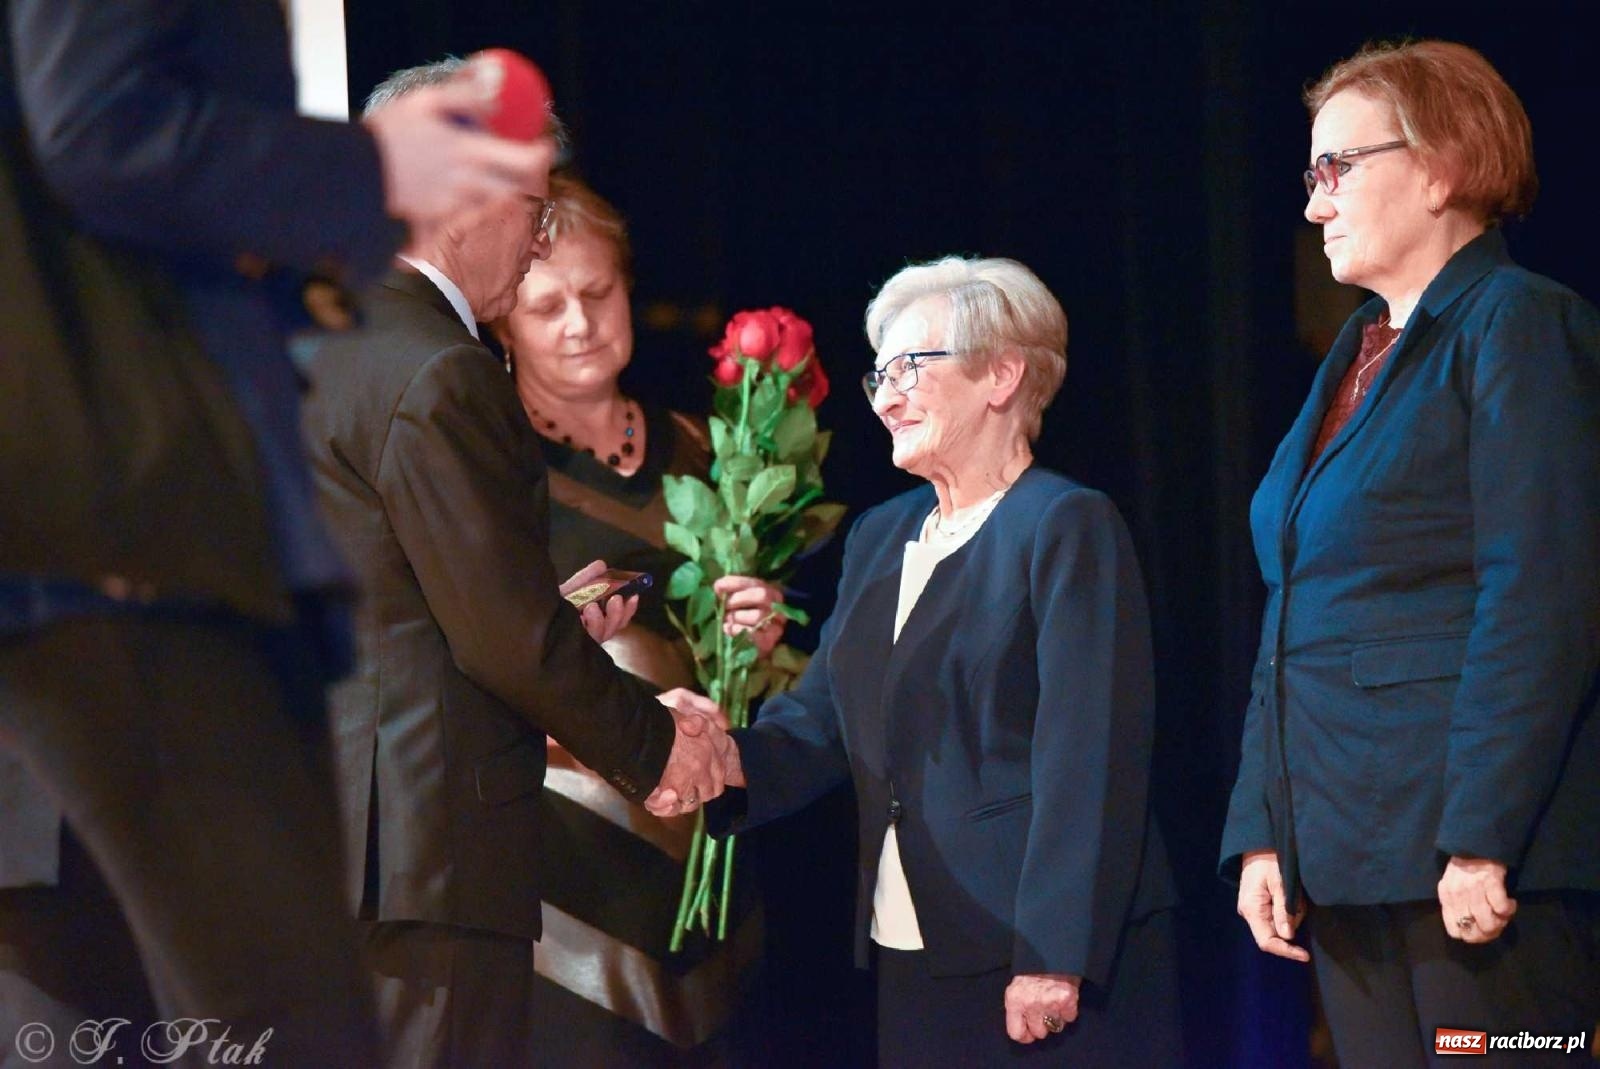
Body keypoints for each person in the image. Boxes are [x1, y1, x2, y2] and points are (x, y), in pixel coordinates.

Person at [0, 2, 551, 1063]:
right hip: (126, 524)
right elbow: (99, 127)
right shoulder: (437, 373)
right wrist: (373, 169)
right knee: (293, 1029)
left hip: (139, 520)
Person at [300, 62, 732, 1069]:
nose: (536, 241)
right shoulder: (439, 367)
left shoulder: (320, 339)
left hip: (342, 838)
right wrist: (656, 748)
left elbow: (402, 599)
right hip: (429, 854)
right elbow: (502, 638)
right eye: (535, 214)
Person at [689, 256, 1181, 1066]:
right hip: (916, 938)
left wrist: (1053, 953)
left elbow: (1090, 752)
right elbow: (819, 720)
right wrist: (716, 756)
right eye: (878, 376)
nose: (886, 398)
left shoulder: (1064, 523)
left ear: (1002, 374)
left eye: (910, 368)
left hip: (1040, 950)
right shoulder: (881, 534)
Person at [1220, 39, 1600, 1066]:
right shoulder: (1353, 354)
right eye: (1311, 175)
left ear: (1439, 168)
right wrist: (1265, 827)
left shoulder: (1518, 324)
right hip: (1347, 851)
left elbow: (1541, 598)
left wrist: (1481, 834)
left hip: (1471, 860)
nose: (1315, 204)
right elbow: (1292, 608)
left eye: (1337, 167)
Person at [491, 172, 779, 1065]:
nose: (579, 322)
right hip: (561, 872)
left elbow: (751, 673)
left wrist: (760, 641)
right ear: (502, 323)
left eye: (598, 292)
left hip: (703, 858)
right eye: (547, 306)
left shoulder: (703, 447)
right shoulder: (486, 465)